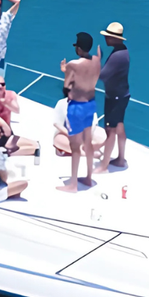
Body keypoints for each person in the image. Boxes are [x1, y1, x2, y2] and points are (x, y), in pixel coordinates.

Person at [59, 31, 101, 190]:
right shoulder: (97, 61)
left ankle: (73, 184)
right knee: (88, 143)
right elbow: (87, 76)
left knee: (75, 146)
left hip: (76, 107)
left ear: (79, 48)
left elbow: (66, 87)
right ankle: (89, 178)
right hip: (90, 104)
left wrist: (65, 70)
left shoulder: (72, 65)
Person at [98, 21, 130, 170]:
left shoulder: (117, 55)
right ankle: (121, 158)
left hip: (115, 97)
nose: (106, 39)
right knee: (119, 126)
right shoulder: (123, 50)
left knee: (110, 129)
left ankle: (104, 166)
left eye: (109, 37)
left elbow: (103, 75)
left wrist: (96, 62)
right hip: (121, 95)